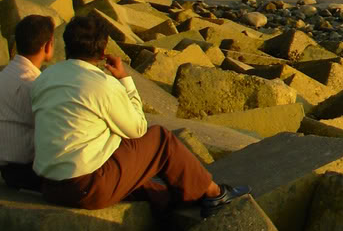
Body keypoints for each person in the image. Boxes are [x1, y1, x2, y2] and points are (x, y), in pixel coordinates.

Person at [30, 15, 249, 213]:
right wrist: (125, 79)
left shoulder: (44, 78)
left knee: (139, 177)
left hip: (50, 186)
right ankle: (214, 193)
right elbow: (138, 129)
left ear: (66, 43)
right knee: (160, 139)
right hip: (87, 188)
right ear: (103, 49)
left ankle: (175, 200)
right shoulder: (101, 84)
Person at [0, 15, 56, 190]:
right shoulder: (36, 85)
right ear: (47, 45)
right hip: (26, 170)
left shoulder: (4, 75)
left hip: (6, 166)